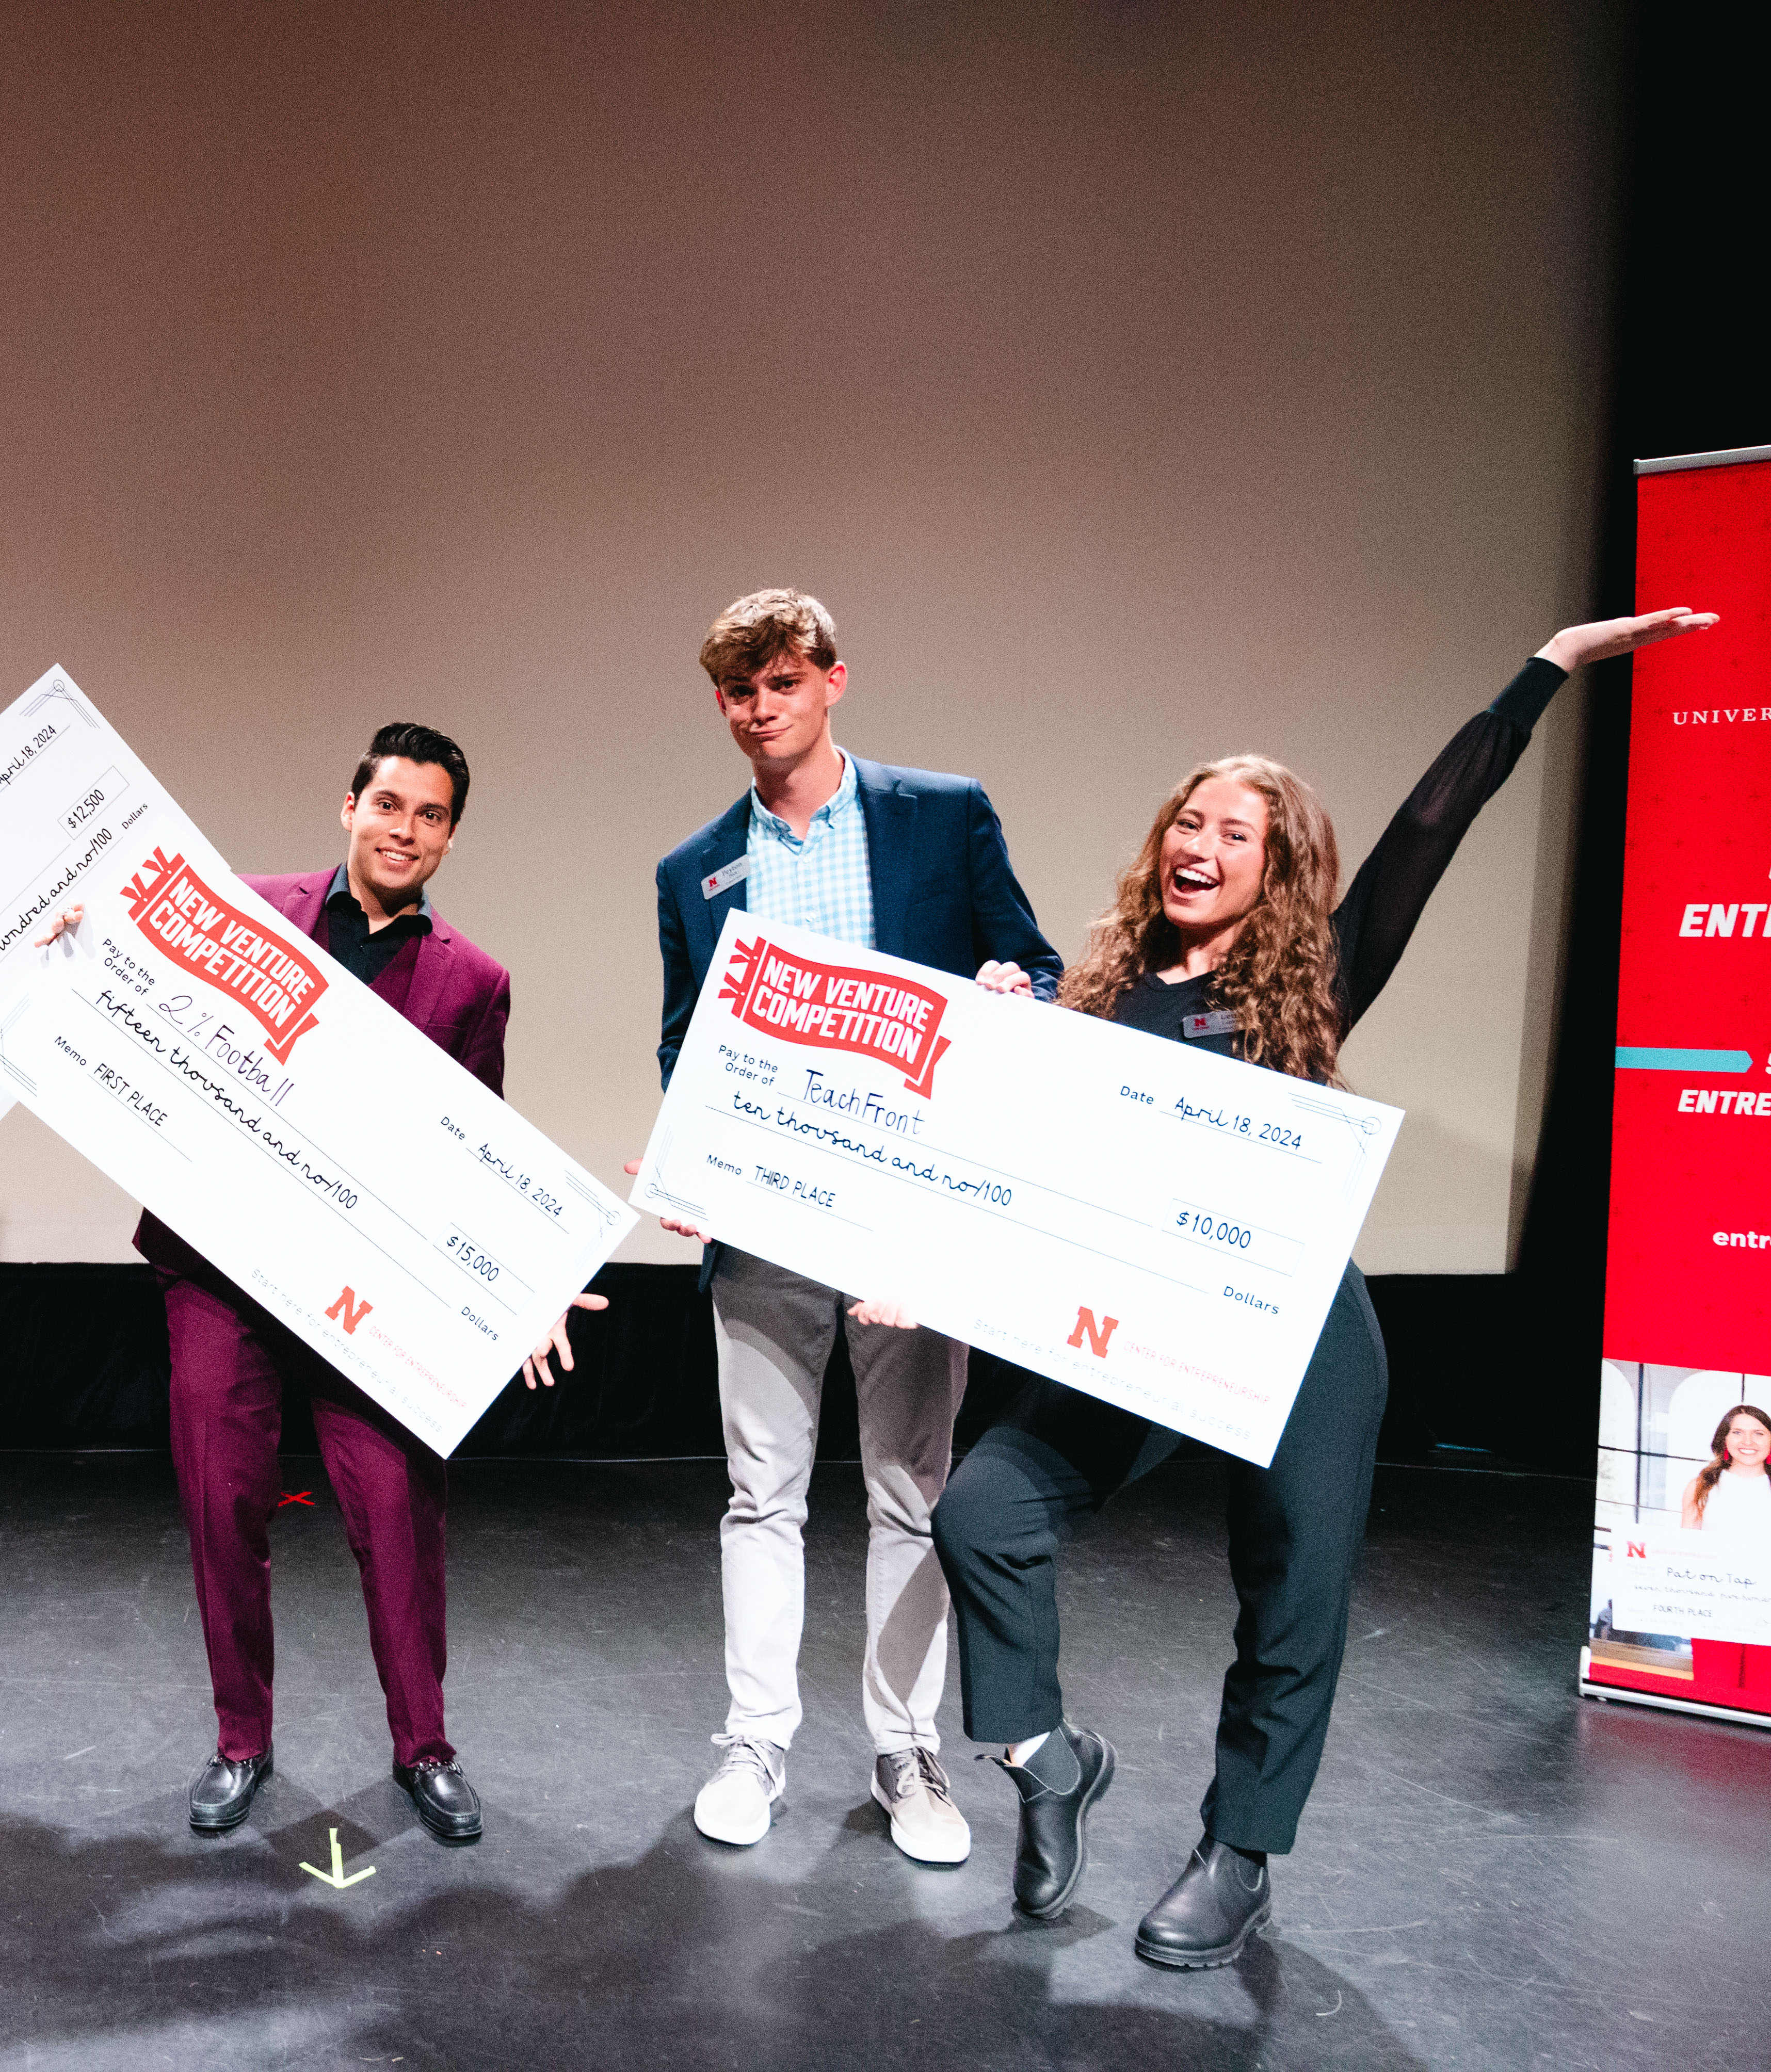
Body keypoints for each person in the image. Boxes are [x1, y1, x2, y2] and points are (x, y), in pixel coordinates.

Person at [929, 606, 1719, 1968]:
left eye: (1237, 832)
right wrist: (997, 1032)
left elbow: (1427, 830)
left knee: (1291, 1594)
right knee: (984, 1509)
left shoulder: (1319, 978)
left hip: (1293, 1332)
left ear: (1279, 869)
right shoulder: (1098, 995)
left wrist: (1549, 669)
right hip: (1136, 1327)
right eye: (1190, 820)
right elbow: (1025, 1171)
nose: (1200, 844)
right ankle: (1046, 1757)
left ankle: (1239, 1854)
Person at [94, 722, 600, 1843]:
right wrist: (84, 946)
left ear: (449, 835)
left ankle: (423, 1747)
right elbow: (138, 992)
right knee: (222, 1508)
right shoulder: (244, 908)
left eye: (428, 816)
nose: (404, 829)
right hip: (221, 1270)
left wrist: (527, 1282)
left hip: (370, 1295)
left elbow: (478, 1153)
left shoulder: (474, 981)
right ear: (349, 806)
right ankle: (241, 1742)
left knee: (397, 1512)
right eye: (388, 805)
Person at [637, 589, 1058, 1867]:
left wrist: (1010, 994)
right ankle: (756, 1737)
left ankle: (904, 1748)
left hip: (909, 1228)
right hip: (765, 1224)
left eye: (780, 681)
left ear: (831, 680)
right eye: (737, 692)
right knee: (757, 1494)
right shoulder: (693, 867)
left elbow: (1031, 969)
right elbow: (682, 1044)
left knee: (908, 1493)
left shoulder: (943, 812)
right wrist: (690, 1152)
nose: (759, 708)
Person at [1683, 1404, 1771, 1536]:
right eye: (1737, 1432)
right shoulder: (1701, 1486)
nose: (1748, 1441)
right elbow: (1687, 1546)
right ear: (1725, 1439)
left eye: (1758, 1434)